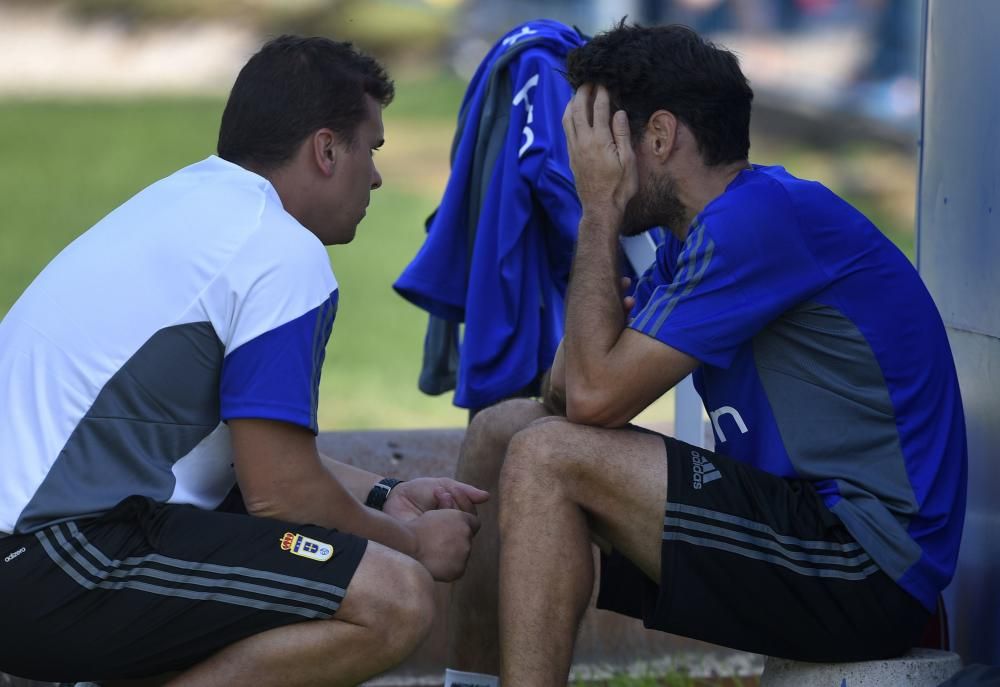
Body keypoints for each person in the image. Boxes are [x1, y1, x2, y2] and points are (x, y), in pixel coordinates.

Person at [446, 22, 967, 686]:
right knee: (503, 431)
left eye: (598, 140)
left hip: (864, 565)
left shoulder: (759, 221)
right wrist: (597, 277)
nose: (580, 161)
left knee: (548, 456)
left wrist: (598, 209)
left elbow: (590, 400)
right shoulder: (691, 240)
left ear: (659, 136)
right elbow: (565, 393)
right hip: (800, 528)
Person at [0, 35, 486, 686]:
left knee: (326, 563)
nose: (373, 175)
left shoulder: (188, 202)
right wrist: (414, 542)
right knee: (392, 596)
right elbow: (282, 494)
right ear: (325, 149)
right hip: (51, 556)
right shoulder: (281, 250)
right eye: (371, 149)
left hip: (49, 548)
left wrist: (385, 496)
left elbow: (250, 452)